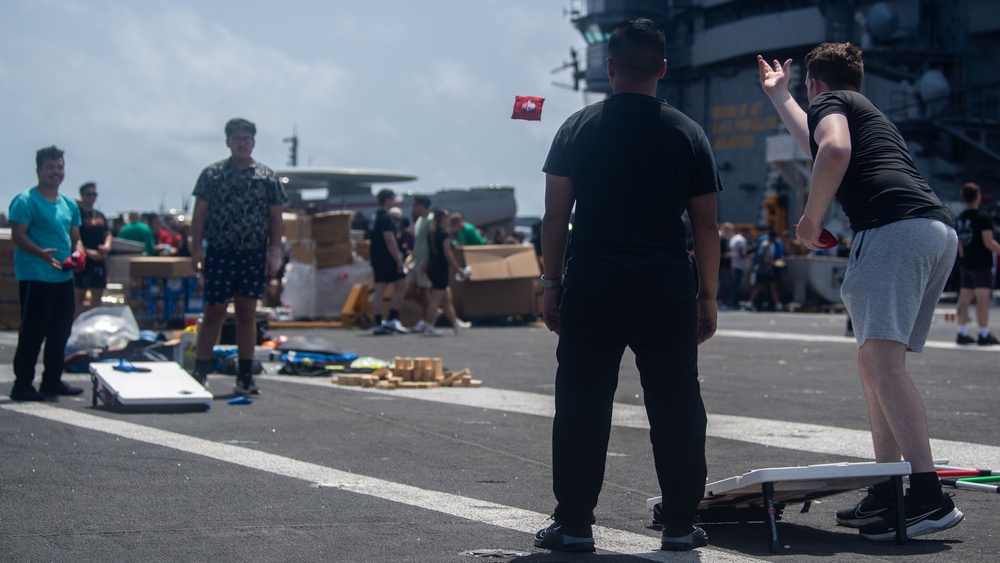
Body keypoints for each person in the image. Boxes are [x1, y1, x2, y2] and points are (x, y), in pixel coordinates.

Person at [758, 43, 962, 540]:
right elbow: (816, 138)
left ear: (817, 84)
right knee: (877, 361)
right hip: (934, 231)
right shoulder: (860, 108)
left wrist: (810, 218)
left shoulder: (831, 104)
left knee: (880, 364)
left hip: (892, 229)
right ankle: (890, 486)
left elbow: (832, 149)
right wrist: (780, 95)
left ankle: (927, 494)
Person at [535, 18, 721, 553]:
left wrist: (552, 283)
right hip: (665, 285)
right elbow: (705, 225)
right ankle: (681, 525)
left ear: (610, 67)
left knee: (581, 403)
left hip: (593, 282)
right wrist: (705, 295)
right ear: (663, 68)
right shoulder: (688, 132)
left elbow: (555, 216)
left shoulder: (575, 128)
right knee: (677, 403)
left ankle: (573, 526)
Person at [189, 118, 287, 395]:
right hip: (220, 252)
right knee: (213, 312)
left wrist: (274, 252)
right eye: (237, 138)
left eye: (247, 138)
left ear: (253, 142)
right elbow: (200, 214)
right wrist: (196, 249)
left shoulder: (267, 177)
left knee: (247, 313)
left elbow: (275, 217)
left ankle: (245, 374)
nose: (242, 143)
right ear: (228, 142)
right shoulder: (213, 174)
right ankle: (200, 369)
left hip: (252, 253)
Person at [7, 146, 85, 401]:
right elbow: (18, 235)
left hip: (63, 275)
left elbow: (76, 238)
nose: (56, 172)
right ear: (39, 170)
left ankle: (52, 380)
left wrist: (79, 253)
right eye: (50, 167)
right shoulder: (26, 200)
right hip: (36, 274)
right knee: (33, 331)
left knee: (60, 330)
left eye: (59, 167)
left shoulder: (69, 204)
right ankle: (22, 384)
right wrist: (40, 253)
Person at [954, 182, 1000, 346]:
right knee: (982, 299)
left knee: (964, 298)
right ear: (977, 196)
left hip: (966, 263)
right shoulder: (983, 217)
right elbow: (988, 242)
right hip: (981, 263)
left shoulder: (960, 218)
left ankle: (961, 332)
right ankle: (983, 333)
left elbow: (959, 243)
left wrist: (963, 259)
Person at [420, 208, 470, 336]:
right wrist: (458, 268)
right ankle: (429, 326)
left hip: (432, 266)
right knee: (436, 298)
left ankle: (455, 324)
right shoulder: (443, 234)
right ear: (443, 219)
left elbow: (428, 252)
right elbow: (447, 253)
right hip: (440, 268)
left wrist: (425, 265)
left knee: (446, 298)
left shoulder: (431, 233)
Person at [369, 188, 409, 335]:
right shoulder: (386, 218)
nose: (394, 201)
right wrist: (398, 261)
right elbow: (390, 240)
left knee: (379, 288)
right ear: (387, 200)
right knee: (401, 285)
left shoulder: (375, 217)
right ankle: (392, 318)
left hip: (376, 257)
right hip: (387, 258)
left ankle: (378, 322)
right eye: (392, 199)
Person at [74, 182, 112, 317]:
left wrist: (107, 245)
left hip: (99, 259)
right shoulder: (77, 213)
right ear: (82, 195)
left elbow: (107, 233)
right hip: (84, 259)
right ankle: (75, 325)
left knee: (97, 294)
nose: (92, 197)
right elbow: (75, 236)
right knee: (80, 296)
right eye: (88, 194)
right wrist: (87, 252)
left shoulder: (99, 214)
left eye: (94, 194)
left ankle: (91, 323)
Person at [405, 195, 433, 331]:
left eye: (415, 205)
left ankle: (427, 319)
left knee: (424, 290)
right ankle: (430, 312)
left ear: (422, 206)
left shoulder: (430, 220)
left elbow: (431, 243)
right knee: (410, 289)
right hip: (416, 260)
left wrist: (427, 261)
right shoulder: (419, 221)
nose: (413, 207)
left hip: (424, 261)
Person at [747, 228, 784, 311]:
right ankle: (750, 302)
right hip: (763, 269)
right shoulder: (765, 244)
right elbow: (760, 256)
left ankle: (778, 304)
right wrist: (766, 263)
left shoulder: (773, 245)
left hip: (769, 269)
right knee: (759, 286)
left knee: (773, 286)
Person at [728, 226, 749, 308]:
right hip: (739, 265)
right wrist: (748, 256)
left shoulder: (734, 238)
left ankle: (732, 301)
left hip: (733, 264)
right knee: (736, 285)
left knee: (733, 284)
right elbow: (741, 253)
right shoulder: (741, 240)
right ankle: (734, 302)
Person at [718, 223, 733, 310]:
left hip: (727, 265)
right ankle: (720, 300)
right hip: (722, 264)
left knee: (727, 283)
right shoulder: (722, 239)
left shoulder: (728, 240)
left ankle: (724, 301)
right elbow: (723, 253)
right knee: (724, 283)